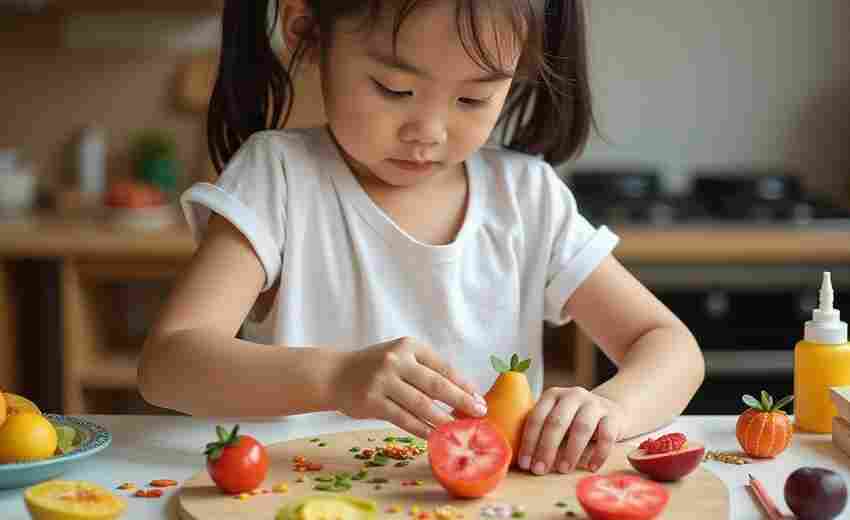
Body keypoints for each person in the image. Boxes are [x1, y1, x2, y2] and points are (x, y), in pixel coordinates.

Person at [138, 0, 704, 477]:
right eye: (394, 89)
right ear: (306, 29)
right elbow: (168, 365)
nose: (428, 133)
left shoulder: (526, 198)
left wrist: (609, 407)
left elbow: (669, 345)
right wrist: (334, 378)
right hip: (303, 497)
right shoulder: (278, 178)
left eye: (473, 99)